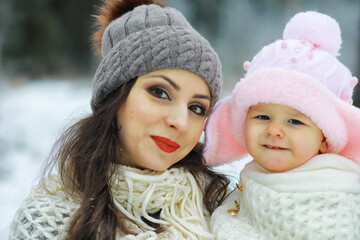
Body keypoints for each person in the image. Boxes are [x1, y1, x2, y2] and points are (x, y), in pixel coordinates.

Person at [9, 0, 230, 239]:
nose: (181, 122)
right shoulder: (48, 220)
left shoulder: (222, 207)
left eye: (197, 108)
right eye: (160, 92)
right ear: (115, 96)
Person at [204, 11, 360, 239]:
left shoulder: (338, 194)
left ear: (325, 140)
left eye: (295, 121)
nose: (274, 130)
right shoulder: (247, 184)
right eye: (262, 117)